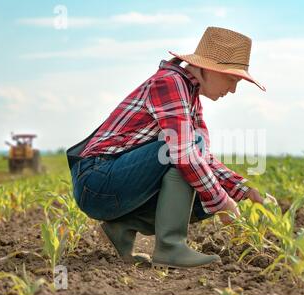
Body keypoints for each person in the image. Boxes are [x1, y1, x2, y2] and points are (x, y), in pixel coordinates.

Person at [66, 26, 266, 269]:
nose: (233, 90)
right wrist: (223, 203)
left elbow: (204, 160)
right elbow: (184, 152)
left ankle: (121, 228)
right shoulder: (170, 83)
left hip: (112, 183)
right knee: (193, 159)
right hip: (97, 181)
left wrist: (242, 190)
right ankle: (170, 247)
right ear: (209, 68)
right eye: (232, 79)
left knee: (206, 185)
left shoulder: (189, 95)